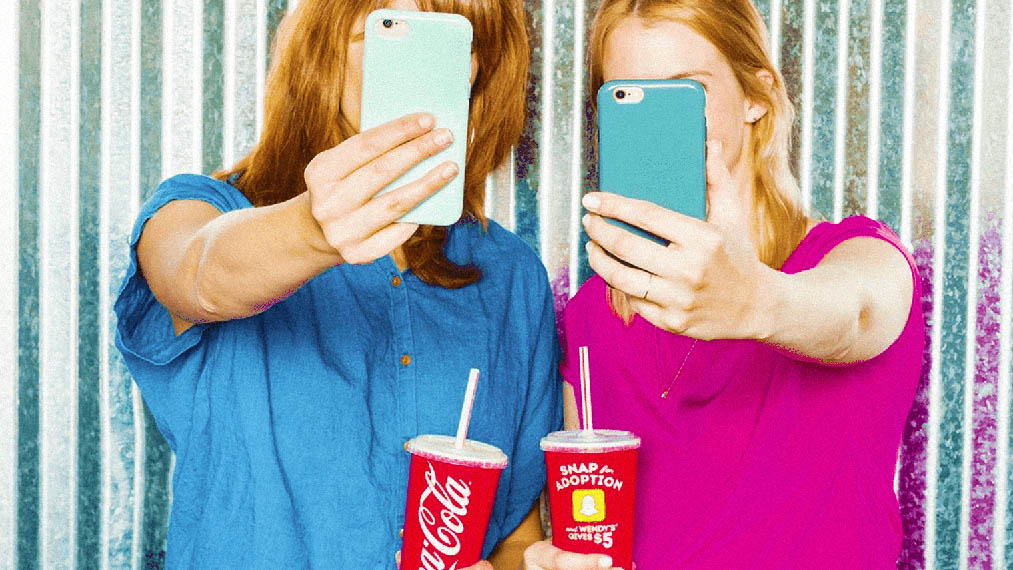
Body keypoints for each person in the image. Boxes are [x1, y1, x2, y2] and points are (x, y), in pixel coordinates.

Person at [113, 0, 560, 568]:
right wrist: (312, 229)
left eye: (451, 39)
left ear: (480, 70)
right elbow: (199, 274)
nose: (418, 66)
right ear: (324, 47)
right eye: (387, 31)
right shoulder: (197, 210)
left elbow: (514, 536)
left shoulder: (512, 275)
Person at [523, 0, 924, 569]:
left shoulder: (861, 257)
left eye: (685, 92)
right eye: (628, 97)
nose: (660, 128)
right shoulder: (593, 314)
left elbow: (858, 314)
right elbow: (592, 523)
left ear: (756, 96)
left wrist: (756, 301)